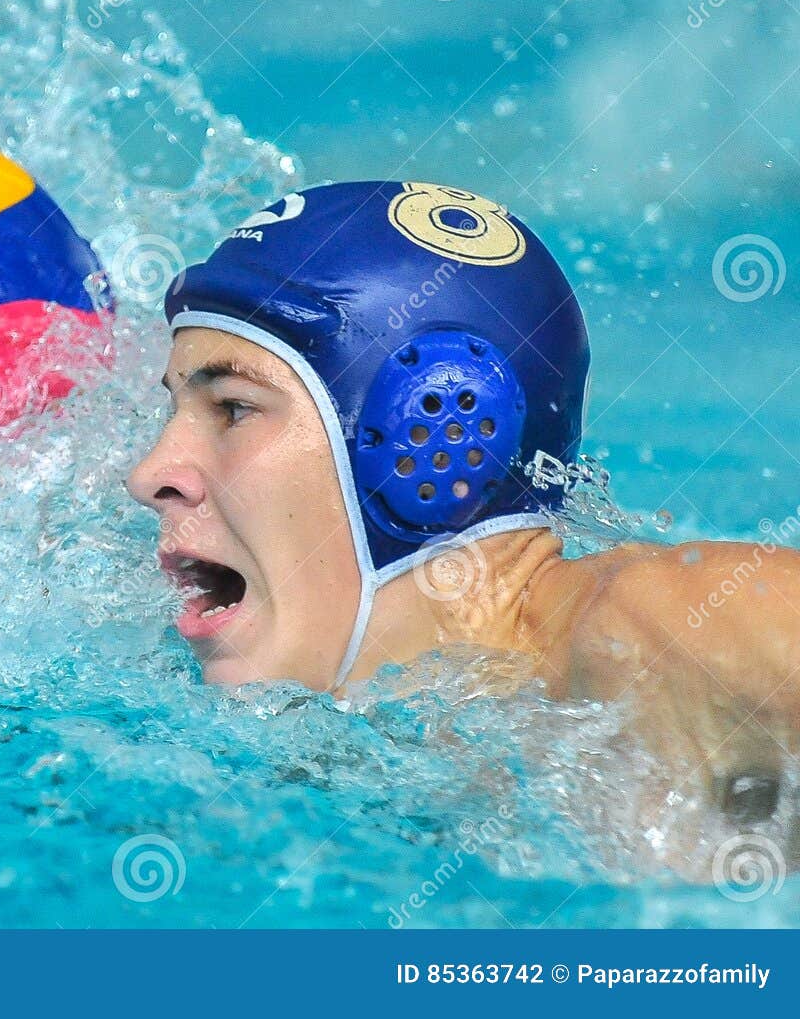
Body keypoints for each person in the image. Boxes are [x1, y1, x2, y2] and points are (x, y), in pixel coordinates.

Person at [127, 181, 800, 808]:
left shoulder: (640, 633)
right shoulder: (404, 738)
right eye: (175, 409)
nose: (149, 473)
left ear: (431, 436)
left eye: (233, 409)